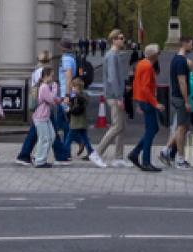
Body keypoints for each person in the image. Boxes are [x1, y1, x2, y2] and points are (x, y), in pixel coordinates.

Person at [92, 31, 132, 167]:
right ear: (113, 40)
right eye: (121, 38)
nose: (123, 40)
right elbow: (112, 78)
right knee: (117, 126)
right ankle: (97, 152)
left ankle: (118, 157)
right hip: (114, 96)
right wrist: (119, 96)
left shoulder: (115, 55)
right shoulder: (112, 56)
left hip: (117, 94)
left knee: (122, 126)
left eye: (123, 37)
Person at [162, 36, 193, 168]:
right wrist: (186, 100)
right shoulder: (181, 61)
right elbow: (182, 81)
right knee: (181, 128)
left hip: (177, 97)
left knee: (183, 127)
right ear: (185, 43)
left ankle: (166, 150)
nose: (192, 45)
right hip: (180, 98)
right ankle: (180, 159)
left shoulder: (176, 59)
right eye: (191, 43)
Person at [130, 43, 163, 171]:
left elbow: (137, 84)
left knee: (153, 128)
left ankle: (136, 153)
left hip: (142, 100)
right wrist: (156, 103)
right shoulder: (148, 66)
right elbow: (145, 87)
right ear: (154, 55)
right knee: (151, 130)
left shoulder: (141, 64)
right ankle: (145, 161)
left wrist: (138, 100)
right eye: (158, 54)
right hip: (147, 101)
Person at [28, 65, 62, 168]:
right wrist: (55, 88)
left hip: (44, 117)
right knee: (45, 138)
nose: (52, 78)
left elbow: (53, 100)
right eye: (51, 76)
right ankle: (40, 161)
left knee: (51, 136)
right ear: (45, 77)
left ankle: (37, 156)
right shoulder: (44, 87)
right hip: (40, 117)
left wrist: (59, 99)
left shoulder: (45, 87)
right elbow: (51, 100)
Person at [64, 77, 94, 160]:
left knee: (68, 139)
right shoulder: (82, 97)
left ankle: (64, 153)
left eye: (73, 87)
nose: (72, 89)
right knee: (85, 138)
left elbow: (76, 110)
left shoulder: (77, 98)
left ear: (77, 88)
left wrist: (69, 109)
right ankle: (91, 152)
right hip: (82, 122)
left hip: (76, 123)